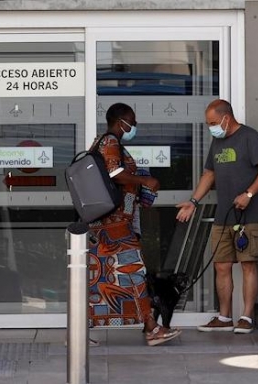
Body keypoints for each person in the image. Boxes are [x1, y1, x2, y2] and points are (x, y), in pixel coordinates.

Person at [177, 99, 258, 334]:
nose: (211, 127)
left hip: (249, 216)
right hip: (223, 216)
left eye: (213, 122)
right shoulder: (217, 141)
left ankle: (247, 318)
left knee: (248, 264)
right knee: (221, 265)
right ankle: (224, 317)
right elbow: (209, 174)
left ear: (226, 118)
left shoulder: (250, 137)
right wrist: (193, 202)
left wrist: (249, 194)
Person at [87, 102, 181, 346]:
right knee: (134, 274)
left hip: (112, 225)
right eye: (132, 121)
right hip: (113, 226)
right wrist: (145, 180)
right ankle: (152, 328)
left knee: (101, 280)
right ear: (121, 122)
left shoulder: (104, 142)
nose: (135, 125)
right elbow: (114, 174)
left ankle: (78, 332)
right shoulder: (110, 142)